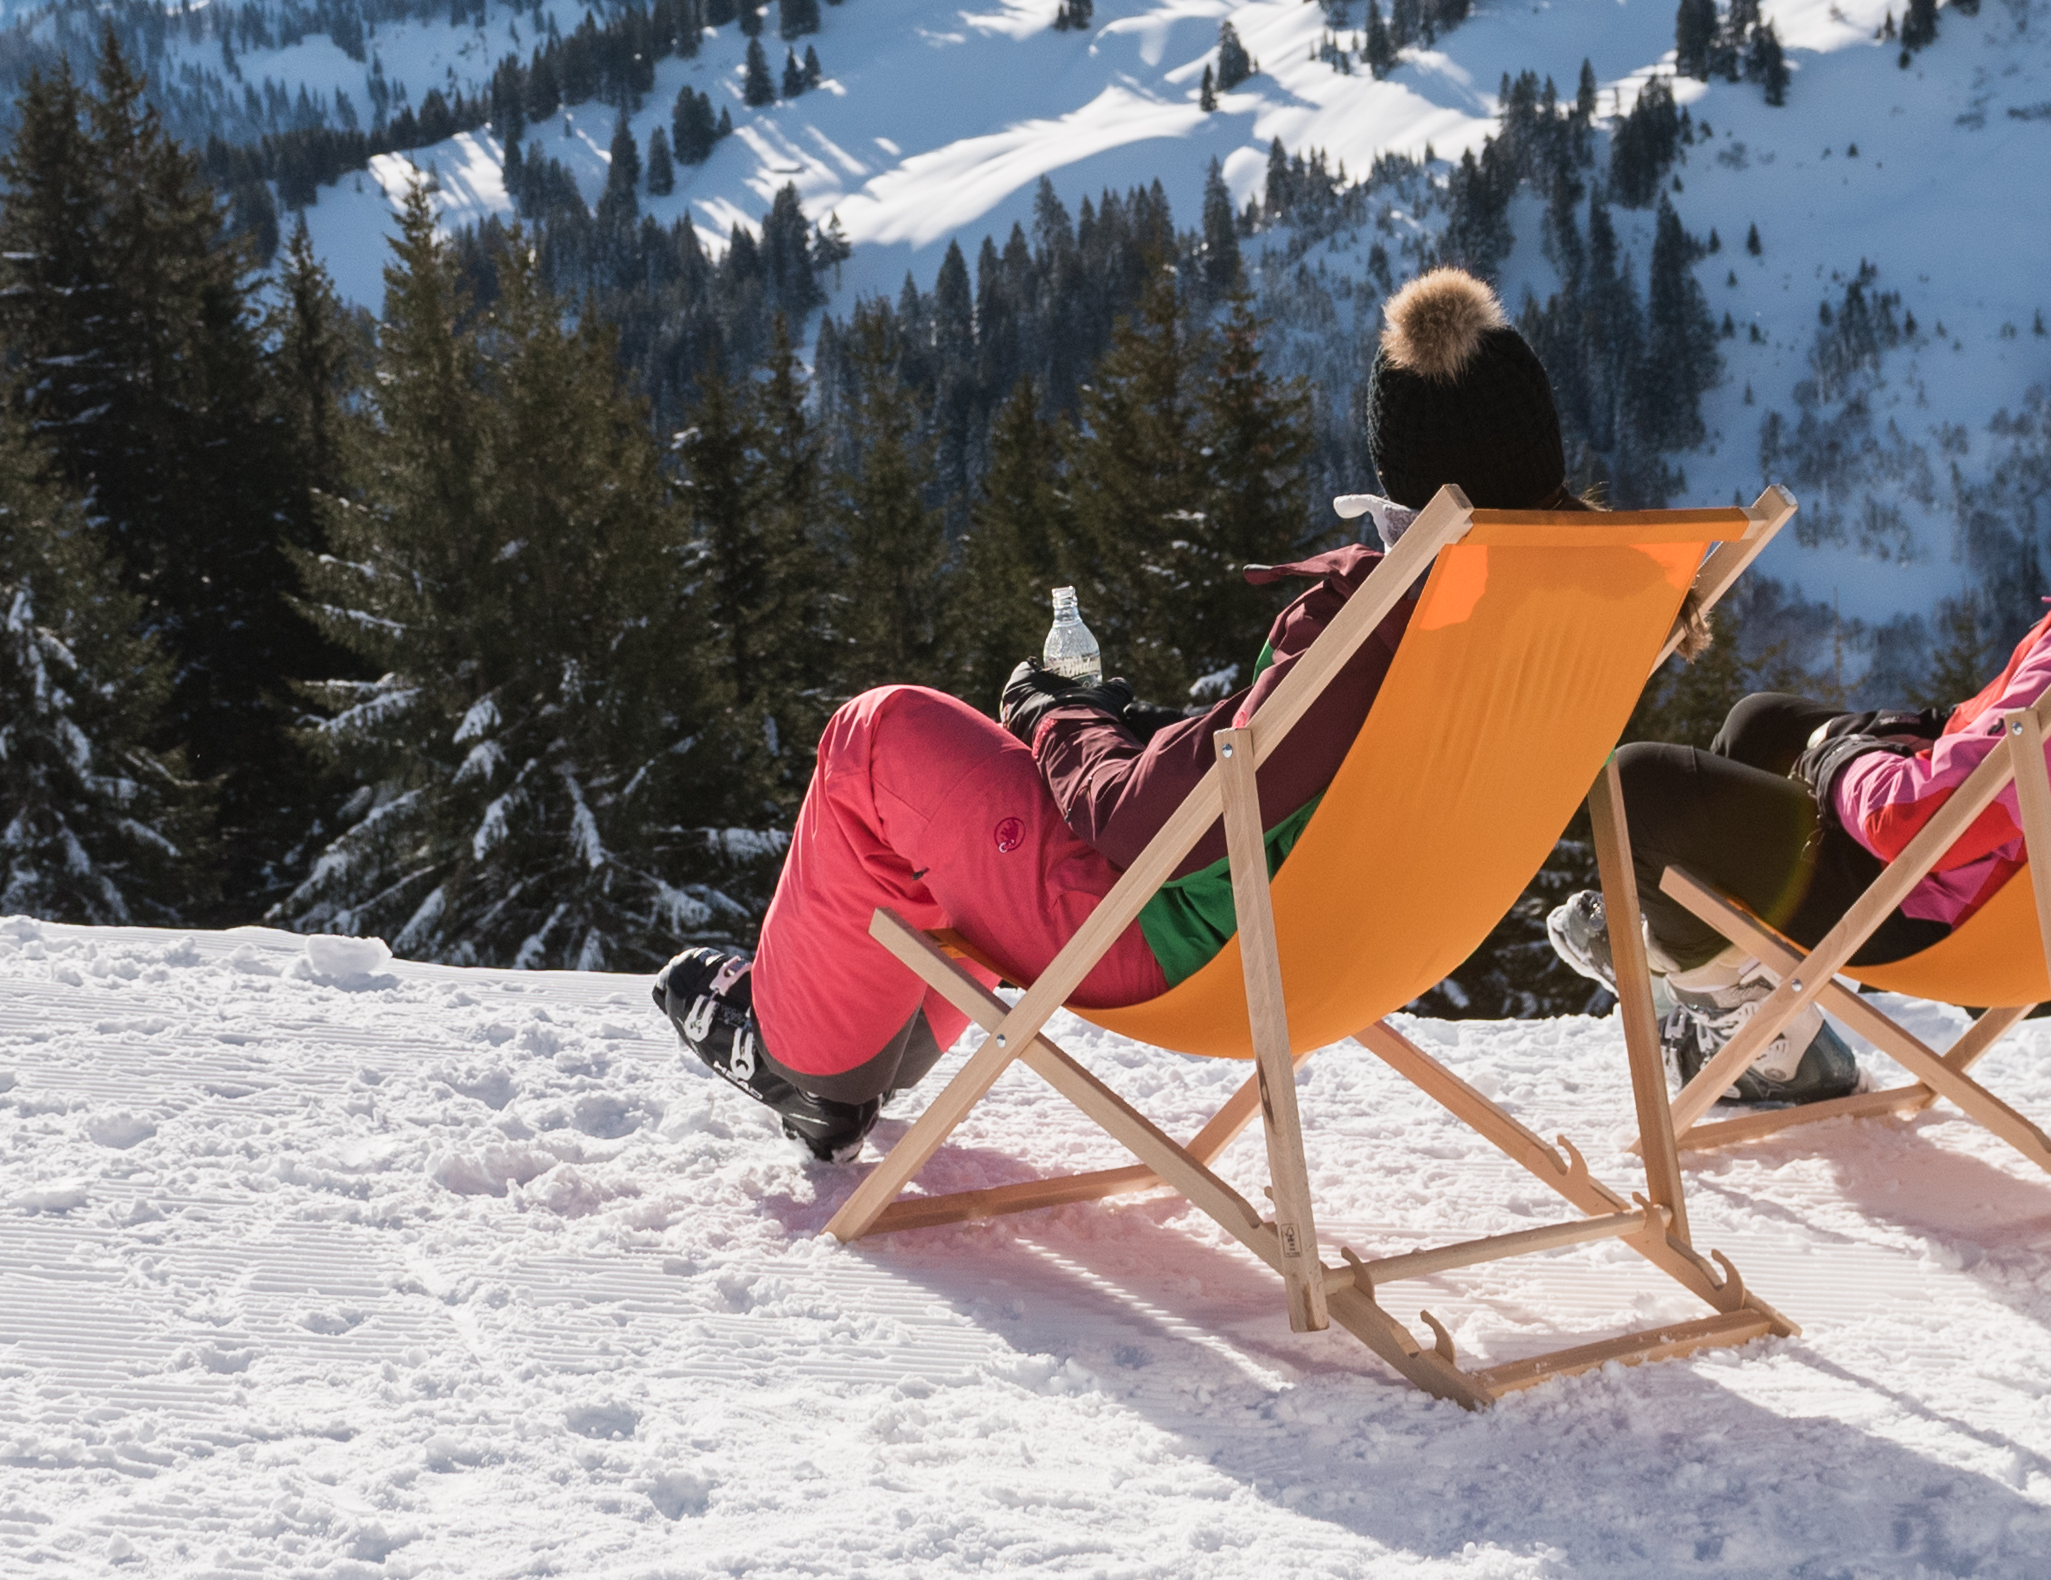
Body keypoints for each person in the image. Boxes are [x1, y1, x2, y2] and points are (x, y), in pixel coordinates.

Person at [657, 266, 1582, 1156]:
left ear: (1405, 481)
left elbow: (1157, 828)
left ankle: (801, 1064)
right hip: (1363, 948)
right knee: (973, 784)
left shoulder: (1379, 623)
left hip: (1191, 948)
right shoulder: (1564, 614)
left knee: (881, 735)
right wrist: (1130, 733)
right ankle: (867, 1044)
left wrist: (1058, 717)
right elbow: (1275, 772)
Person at [1553, 349, 2051, 1105]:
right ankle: (1738, 988)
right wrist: (1893, 737)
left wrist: (1843, 757)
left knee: (1637, 783)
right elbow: (2007, 746)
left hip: (1938, 902)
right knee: (1762, 722)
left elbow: (1912, 819)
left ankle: (1754, 1034)